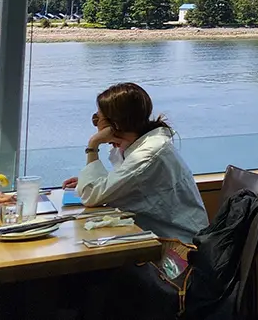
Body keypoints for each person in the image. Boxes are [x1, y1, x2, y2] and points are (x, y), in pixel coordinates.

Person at [64, 83, 207, 242]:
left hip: (178, 249)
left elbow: (91, 196)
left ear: (115, 124)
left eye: (97, 119)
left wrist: (93, 145)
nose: (96, 124)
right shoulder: (144, 146)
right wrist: (91, 182)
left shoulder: (147, 155)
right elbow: (114, 186)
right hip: (158, 238)